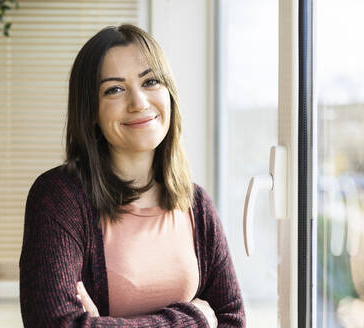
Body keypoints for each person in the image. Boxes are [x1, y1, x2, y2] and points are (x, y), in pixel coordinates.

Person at [19, 24, 245, 327]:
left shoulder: (196, 204)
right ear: (91, 112)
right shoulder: (58, 198)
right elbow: (55, 324)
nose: (139, 102)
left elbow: (232, 319)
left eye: (150, 81)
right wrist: (194, 318)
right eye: (114, 89)